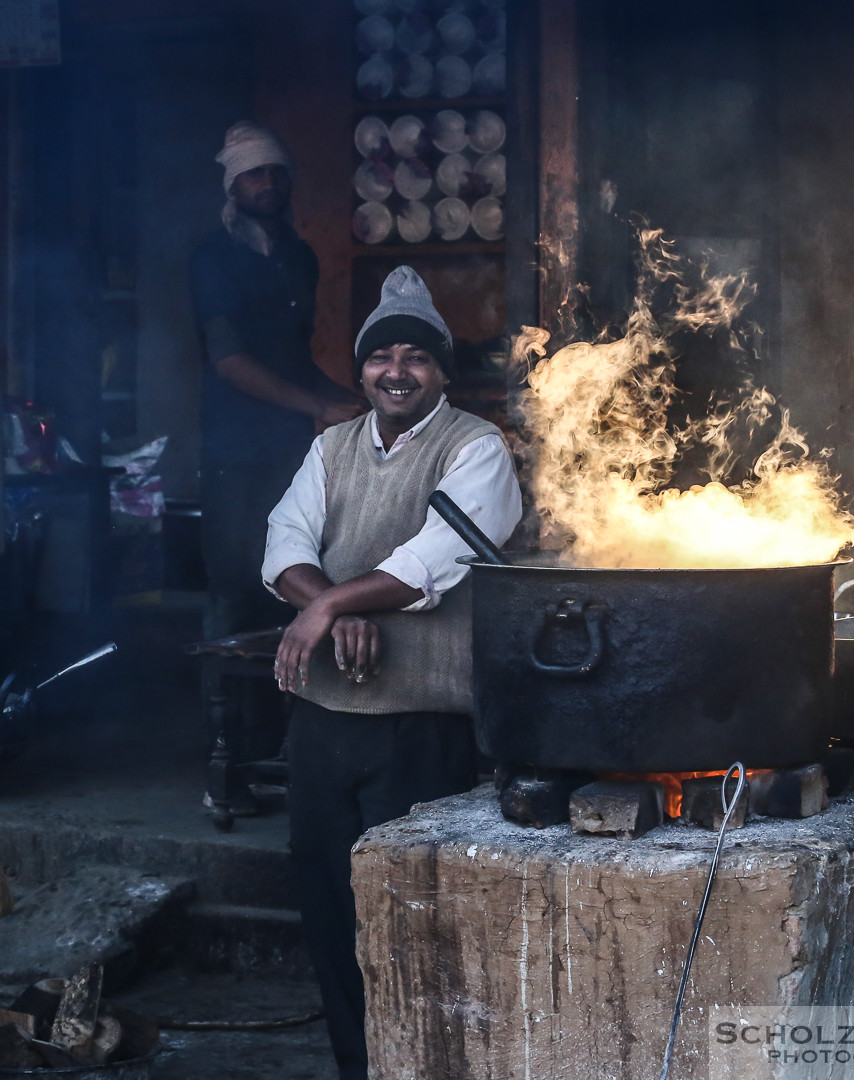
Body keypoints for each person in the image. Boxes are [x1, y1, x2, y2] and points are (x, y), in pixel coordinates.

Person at [262, 266, 522, 1080]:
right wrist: (331, 609)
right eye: (382, 358)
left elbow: (431, 562)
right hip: (322, 726)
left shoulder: (477, 447)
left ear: (442, 372)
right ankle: (356, 1067)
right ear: (363, 369)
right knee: (331, 914)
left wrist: (326, 607)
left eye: (416, 357)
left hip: (421, 729)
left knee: (416, 919)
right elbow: (281, 548)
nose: (396, 372)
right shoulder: (331, 447)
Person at [190, 120, 365, 640]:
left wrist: (351, 401)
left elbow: (293, 357)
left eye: (275, 173)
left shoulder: (297, 256)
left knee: (287, 572)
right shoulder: (214, 257)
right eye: (253, 175)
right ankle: (223, 719)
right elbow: (229, 361)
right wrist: (316, 406)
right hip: (233, 445)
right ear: (233, 187)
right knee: (233, 582)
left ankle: (281, 706)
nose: (267, 183)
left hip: (287, 446)